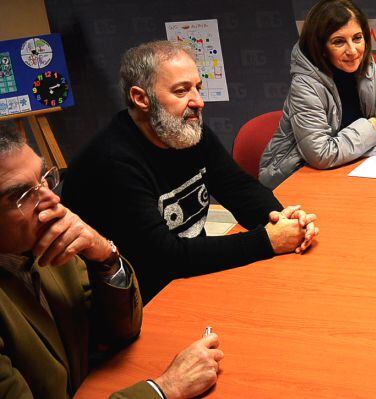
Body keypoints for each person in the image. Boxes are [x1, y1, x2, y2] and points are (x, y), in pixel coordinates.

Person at [63, 41, 319, 302]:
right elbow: (165, 257)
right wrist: (266, 241)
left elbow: (238, 188)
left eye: (198, 87)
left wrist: (278, 218)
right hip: (141, 299)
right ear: (141, 98)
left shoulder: (185, 129)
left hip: (188, 276)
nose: (198, 101)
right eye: (181, 91)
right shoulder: (112, 162)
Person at [0, 121, 222, 398]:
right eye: (22, 195)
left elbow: (121, 332)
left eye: (44, 179)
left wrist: (105, 256)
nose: (52, 201)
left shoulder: (49, 243)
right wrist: (164, 389)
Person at [258, 0, 376, 189]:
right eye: (339, 41)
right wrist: (369, 127)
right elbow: (321, 155)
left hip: (345, 172)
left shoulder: (367, 66)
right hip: (293, 178)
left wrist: (346, 153)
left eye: (357, 38)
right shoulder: (304, 84)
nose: (353, 51)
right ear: (321, 47)